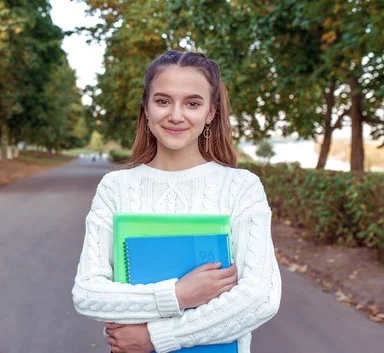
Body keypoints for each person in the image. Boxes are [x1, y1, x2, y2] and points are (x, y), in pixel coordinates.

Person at [72, 51, 282, 353]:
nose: (176, 115)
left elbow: (259, 298)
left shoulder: (240, 187)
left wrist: (157, 337)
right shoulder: (115, 188)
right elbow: (88, 292)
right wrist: (178, 294)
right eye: (163, 101)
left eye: (193, 103)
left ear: (211, 113)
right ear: (146, 108)